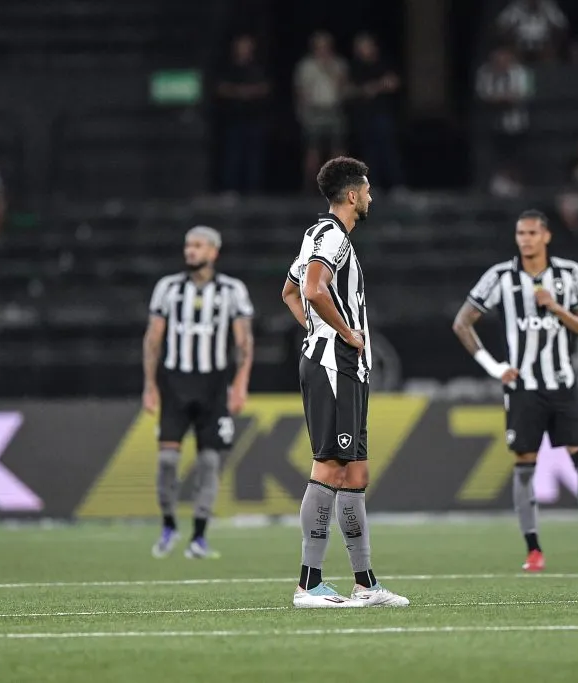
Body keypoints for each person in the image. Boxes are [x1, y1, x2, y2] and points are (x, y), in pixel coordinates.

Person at [451, 210, 578, 572]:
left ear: (546, 236)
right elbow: (462, 322)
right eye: (520, 233)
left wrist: (555, 308)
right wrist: (496, 367)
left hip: (563, 385)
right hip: (523, 389)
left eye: (533, 233)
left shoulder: (570, 274)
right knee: (524, 468)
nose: (525, 239)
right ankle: (533, 550)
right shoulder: (500, 276)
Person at [280, 157, 409, 608]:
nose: (371, 196)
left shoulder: (322, 235)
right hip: (335, 365)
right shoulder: (331, 236)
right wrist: (340, 333)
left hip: (345, 367)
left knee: (355, 473)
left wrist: (316, 328)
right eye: (367, 190)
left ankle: (366, 584)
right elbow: (312, 288)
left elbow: (291, 291)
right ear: (352, 195)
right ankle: (309, 583)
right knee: (330, 467)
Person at [142, 226, 254, 559]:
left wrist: (241, 383)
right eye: (187, 245)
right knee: (167, 459)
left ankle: (200, 537)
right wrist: (149, 385)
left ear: (213, 252)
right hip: (175, 383)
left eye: (197, 245)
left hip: (214, 386)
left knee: (209, 462)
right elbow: (152, 339)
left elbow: (244, 342)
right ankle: (168, 526)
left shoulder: (232, 290)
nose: (190, 250)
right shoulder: (168, 288)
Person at [346, 34, 405, 194]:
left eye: (365, 46)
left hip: (383, 114)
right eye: (359, 48)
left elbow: (393, 83)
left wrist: (375, 87)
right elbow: (351, 90)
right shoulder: (355, 67)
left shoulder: (384, 63)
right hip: (364, 116)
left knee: (388, 150)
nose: (362, 50)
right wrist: (374, 87)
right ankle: (374, 186)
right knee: (369, 153)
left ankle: (397, 185)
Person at [216, 34, 271, 194]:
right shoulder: (228, 67)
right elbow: (220, 88)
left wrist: (248, 92)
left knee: (254, 157)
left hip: (255, 119)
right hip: (233, 119)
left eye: (247, 46)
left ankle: (253, 191)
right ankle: (230, 189)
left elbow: (265, 88)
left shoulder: (258, 68)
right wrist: (240, 92)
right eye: (241, 46)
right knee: (233, 155)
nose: (244, 50)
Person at [475, 45, 532, 196]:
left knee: (516, 155)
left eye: (504, 56)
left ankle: (515, 184)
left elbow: (523, 94)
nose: (501, 60)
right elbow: (484, 95)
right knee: (495, 155)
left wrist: (503, 98)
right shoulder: (484, 72)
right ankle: (497, 185)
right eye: (497, 57)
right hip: (493, 124)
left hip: (517, 124)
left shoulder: (521, 72)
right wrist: (503, 98)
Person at [294, 32, 347, 193]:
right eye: (319, 46)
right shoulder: (306, 66)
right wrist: (301, 111)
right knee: (312, 152)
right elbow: (300, 90)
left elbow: (343, 86)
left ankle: (336, 187)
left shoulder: (338, 64)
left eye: (326, 46)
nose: (323, 49)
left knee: (337, 151)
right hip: (313, 111)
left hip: (334, 110)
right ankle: (310, 188)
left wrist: (328, 68)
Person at [496, 0, 568, 63]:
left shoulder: (549, 7)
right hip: (519, 43)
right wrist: (510, 35)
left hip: (543, 43)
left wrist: (554, 40)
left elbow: (562, 26)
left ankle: (547, 75)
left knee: (549, 54)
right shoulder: (515, 7)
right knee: (511, 53)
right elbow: (501, 26)